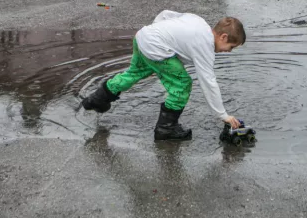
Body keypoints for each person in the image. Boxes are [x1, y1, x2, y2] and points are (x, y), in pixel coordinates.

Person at [80, 11, 246, 141]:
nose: (228, 51)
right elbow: (208, 82)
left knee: (134, 73)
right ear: (223, 37)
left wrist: (155, 32)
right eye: (230, 47)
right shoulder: (205, 45)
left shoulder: (199, 21)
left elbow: (166, 14)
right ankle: (166, 129)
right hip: (155, 47)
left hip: (143, 36)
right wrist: (222, 115)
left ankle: (97, 99)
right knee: (182, 84)